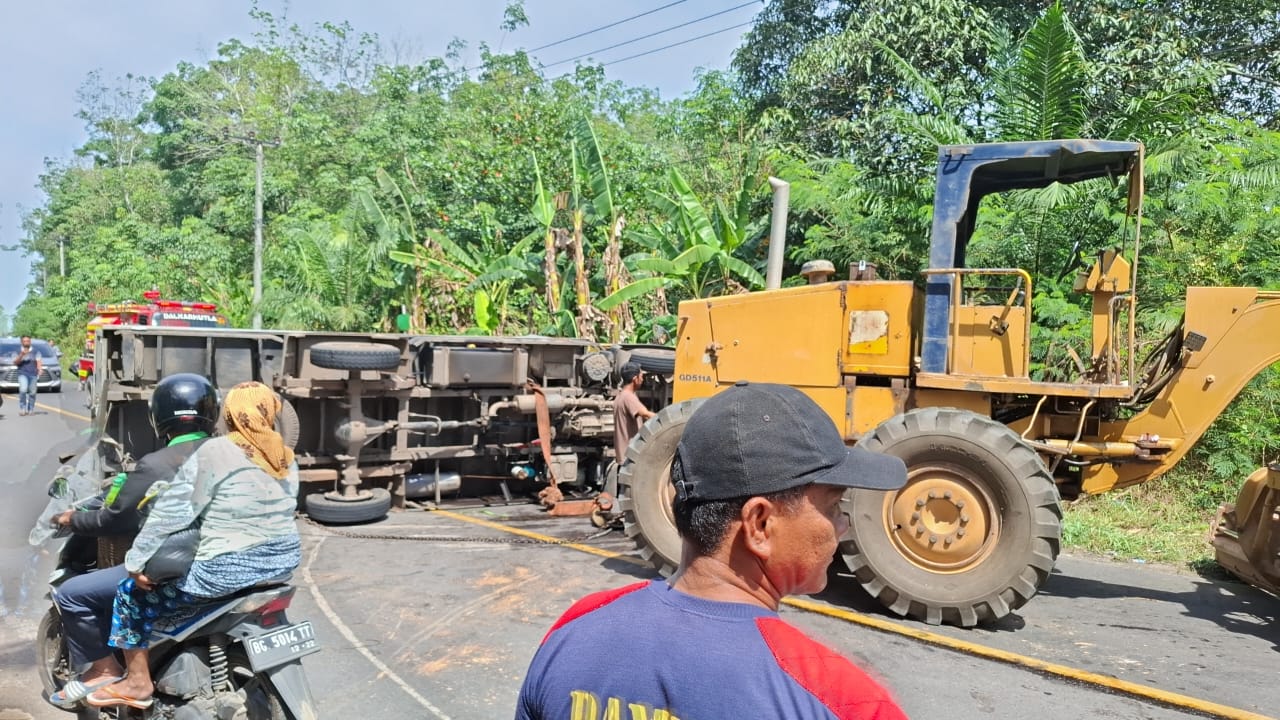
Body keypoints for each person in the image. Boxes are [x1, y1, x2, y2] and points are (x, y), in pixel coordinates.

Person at [516, 381, 911, 720]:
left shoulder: (574, 633)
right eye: (831, 507)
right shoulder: (841, 700)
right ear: (759, 524)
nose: (842, 526)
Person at [85, 381, 301, 710]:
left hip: (223, 573)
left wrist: (135, 563)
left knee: (130, 597)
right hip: (282, 564)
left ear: (229, 416)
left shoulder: (216, 451)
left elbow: (171, 513)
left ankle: (138, 683)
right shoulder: (286, 456)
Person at [47, 372, 217, 708]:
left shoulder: (155, 465)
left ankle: (104, 671)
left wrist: (72, 519)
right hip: (226, 562)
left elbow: (115, 518)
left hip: (179, 568)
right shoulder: (231, 455)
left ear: (159, 417)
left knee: (72, 594)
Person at [612, 361, 655, 463]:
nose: (642, 379)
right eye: (641, 376)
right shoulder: (628, 397)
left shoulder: (621, 395)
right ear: (635, 379)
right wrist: (665, 420)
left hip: (625, 455)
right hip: (630, 456)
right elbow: (646, 414)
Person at [15, 335, 43, 415]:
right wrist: (21, 354)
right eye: (25, 341)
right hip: (22, 373)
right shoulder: (17, 351)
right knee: (23, 390)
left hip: (33, 374)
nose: (26, 343)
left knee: (32, 393)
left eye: (28, 341)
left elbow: (39, 361)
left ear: (30, 342)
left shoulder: (36, 351)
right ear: (21, 342)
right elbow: (15, 363)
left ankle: (31, 409)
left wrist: (40, 369)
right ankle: (23, 408)